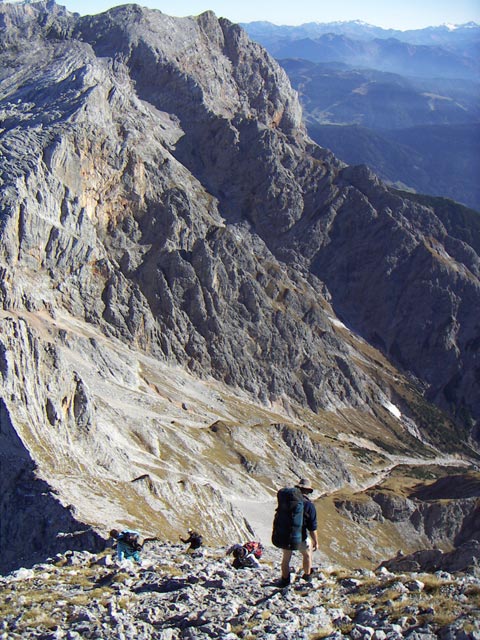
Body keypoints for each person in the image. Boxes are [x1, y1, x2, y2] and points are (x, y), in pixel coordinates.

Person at [279, 478, 318, 587]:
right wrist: (315, 541)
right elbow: (312, 527)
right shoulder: (309, 505)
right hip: (301, 536)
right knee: (307, 555)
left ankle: (285, 580)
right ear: (308, 491)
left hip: (286, 535)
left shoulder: (288, 501)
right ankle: (307, 576)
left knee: (286, 559)